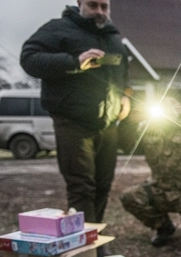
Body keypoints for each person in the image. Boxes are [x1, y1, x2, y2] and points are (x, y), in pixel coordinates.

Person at [20, 0, 131, 232]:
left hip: (108, 124)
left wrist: (125, 95)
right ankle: (85, 246)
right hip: (72, 122)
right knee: (81, 187)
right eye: (93, 5)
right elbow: (29, 58)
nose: (100, 12)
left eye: (104, 7)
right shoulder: (57, 29)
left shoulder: (113, 38)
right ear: (80, 3)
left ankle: (94, 237)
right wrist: (73, 62)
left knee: (103, 186)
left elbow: (124, 72)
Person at [119, 90, 181, 247]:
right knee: (129, 197)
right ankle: (163, 227)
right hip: (160, 189)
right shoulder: (149, 127)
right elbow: (128, 145)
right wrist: (131, 119)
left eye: (171, 104)